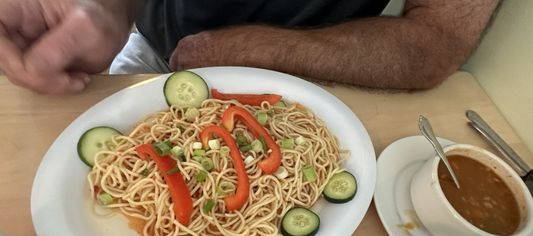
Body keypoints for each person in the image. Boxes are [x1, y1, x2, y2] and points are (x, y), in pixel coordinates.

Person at [0, 0, 499, 94]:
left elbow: (438, 38)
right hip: (147, 50)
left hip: (312, 81)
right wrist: (105, 6)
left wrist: (261, 48)